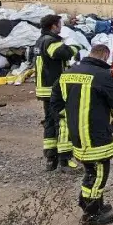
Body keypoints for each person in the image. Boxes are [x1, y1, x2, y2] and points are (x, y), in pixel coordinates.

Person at [55, 44, 113, 225]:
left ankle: (96, 204)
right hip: (96, 132)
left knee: (90, 168)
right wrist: (110, 115)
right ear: (105, 57)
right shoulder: (102, 76)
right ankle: (91, 213)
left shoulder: (68, 72)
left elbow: (56, 100)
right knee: (99, 172)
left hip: (76, 132)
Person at [34, 14, 77, 171]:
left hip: (44, 89)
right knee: (63, 122)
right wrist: (73, 49)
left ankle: (51, 159)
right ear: (53, 26)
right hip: (55, 89)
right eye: (59, 24)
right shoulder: (50, 41)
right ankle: (65, 160)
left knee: (50, 122)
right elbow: (61, 53)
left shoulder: (39, 41)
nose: (61, 26)